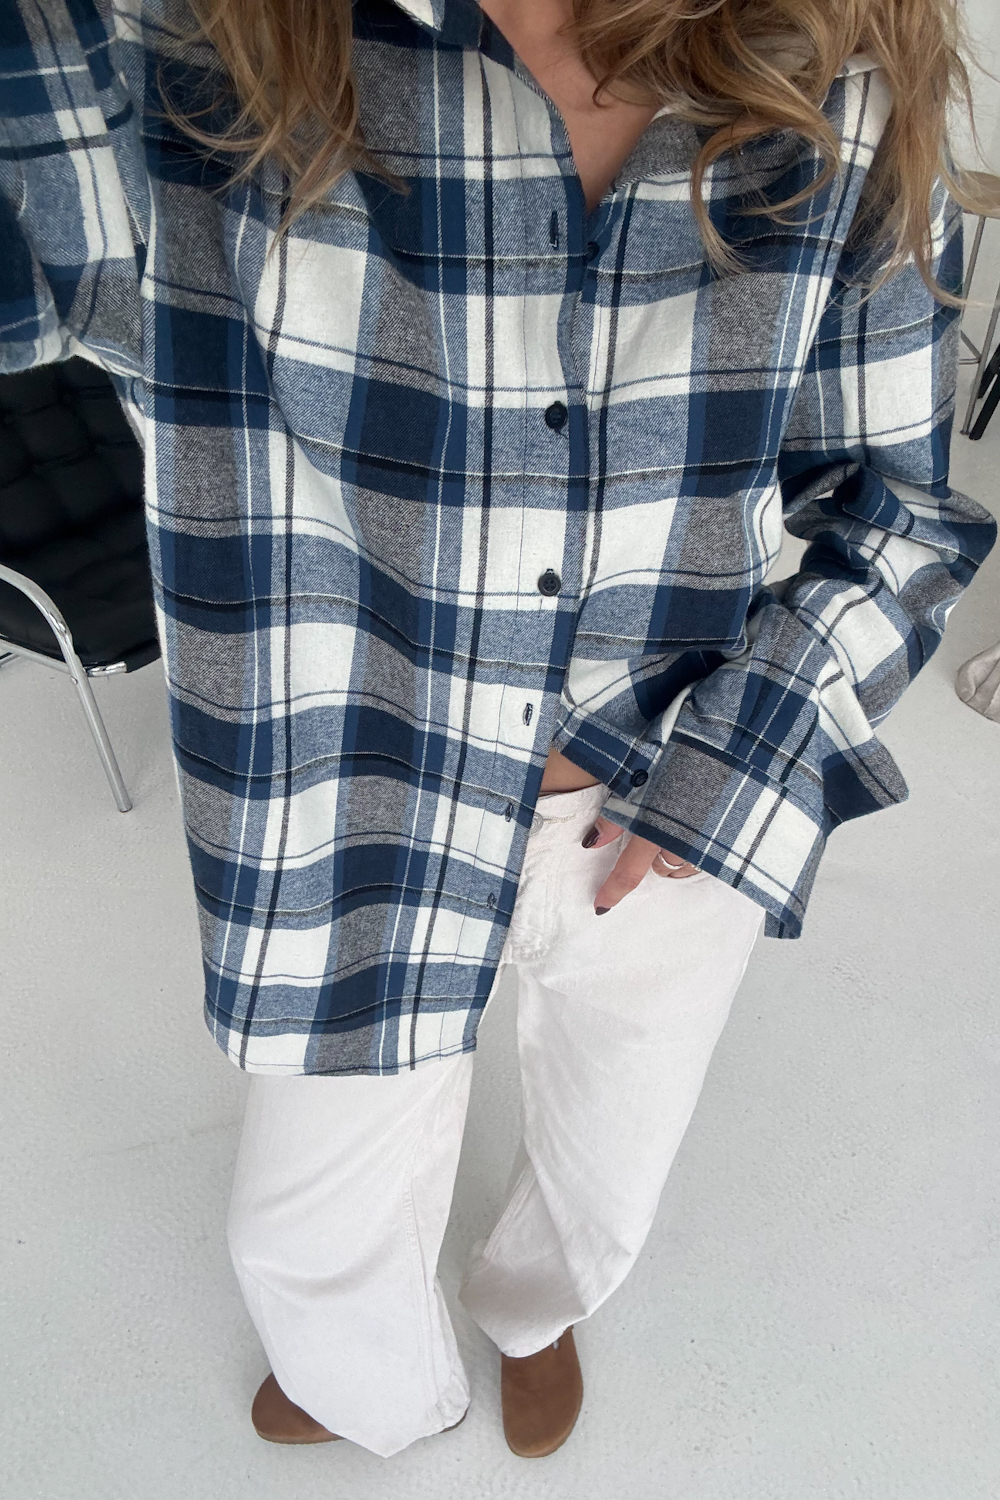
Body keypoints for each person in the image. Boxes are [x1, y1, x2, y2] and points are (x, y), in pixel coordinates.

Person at [1, 0, 996, 1463]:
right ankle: (365, 1374)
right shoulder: (184, 41)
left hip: (669, 796)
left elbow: (901, 509)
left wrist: (744, 763)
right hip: (350, 790)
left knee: (614, 1144)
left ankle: (537, 1310)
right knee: (304, 1212)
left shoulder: (837, 79)